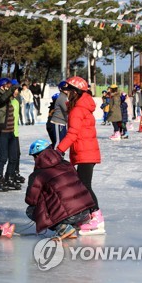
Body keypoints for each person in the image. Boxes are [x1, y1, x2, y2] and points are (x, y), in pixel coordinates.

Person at [55, 76, 104, 236]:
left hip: (85, 151)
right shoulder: (81, 107)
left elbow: (73, 133)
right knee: (83, 186)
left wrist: (59, 150)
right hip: (85, 150)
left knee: (85, 186)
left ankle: (97, 218)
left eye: (68, 89)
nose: (66, 92)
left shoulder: (77, 110)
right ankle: (89, 216)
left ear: (75, 92)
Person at [25, 140, 94, 240]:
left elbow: (31, 200)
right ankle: (70, 228)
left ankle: (63, 228)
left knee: (31, 210)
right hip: (85, 212)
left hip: (70, 215)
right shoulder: (66, 164)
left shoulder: (38, 174)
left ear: (36, 157)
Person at [0, 77, 21, 191]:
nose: (11, 89)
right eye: (8, 86)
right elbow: (0, 100)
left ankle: (9, 178)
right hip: (1, 132)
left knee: (13, 157)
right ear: (3, 86)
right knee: (3, 158)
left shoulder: (11, 99)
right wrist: (10, 91)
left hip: (11, 133)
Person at [10, 80, 25, 183]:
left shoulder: (17, 100)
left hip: (15, 132)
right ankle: (9, 175)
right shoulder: (9, 101)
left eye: (18, 89)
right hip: (8, 132)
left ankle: (15, 172)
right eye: (15, 89)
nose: (17, 91)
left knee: (17, 154)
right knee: (11, 156)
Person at [49, 81, 69, 149]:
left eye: (68, 88)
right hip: (57, 122)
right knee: (58, 142)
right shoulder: (62, 97)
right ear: (61, 89)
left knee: (62, 142)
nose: (67, 89)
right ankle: (55, 157)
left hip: (62, 122)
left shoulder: (65, 97)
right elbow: (67, 109)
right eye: (65, 88)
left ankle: (59, 157)